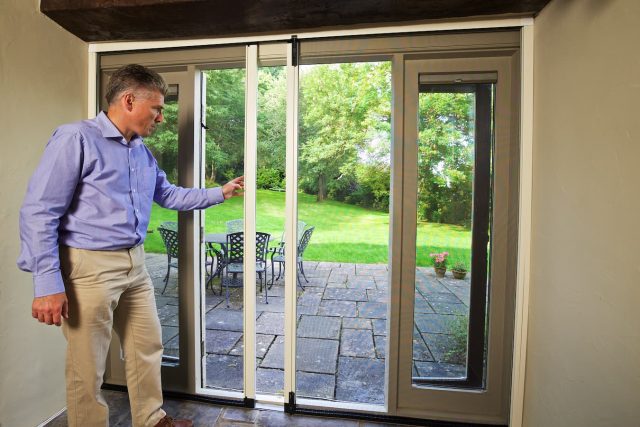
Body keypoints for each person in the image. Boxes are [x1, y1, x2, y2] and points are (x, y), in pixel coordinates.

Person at [17, 64, 243, 427]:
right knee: (87, 366)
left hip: (134, 265)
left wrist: (219, 191)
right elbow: (39, 212)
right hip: (87, 268)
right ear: (128, 100)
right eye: (157, 108)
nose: (161, 117)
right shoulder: (75, 139)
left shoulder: (140, 152)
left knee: (147, 346)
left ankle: (152, 420)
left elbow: (168, 194)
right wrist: (47, 284)